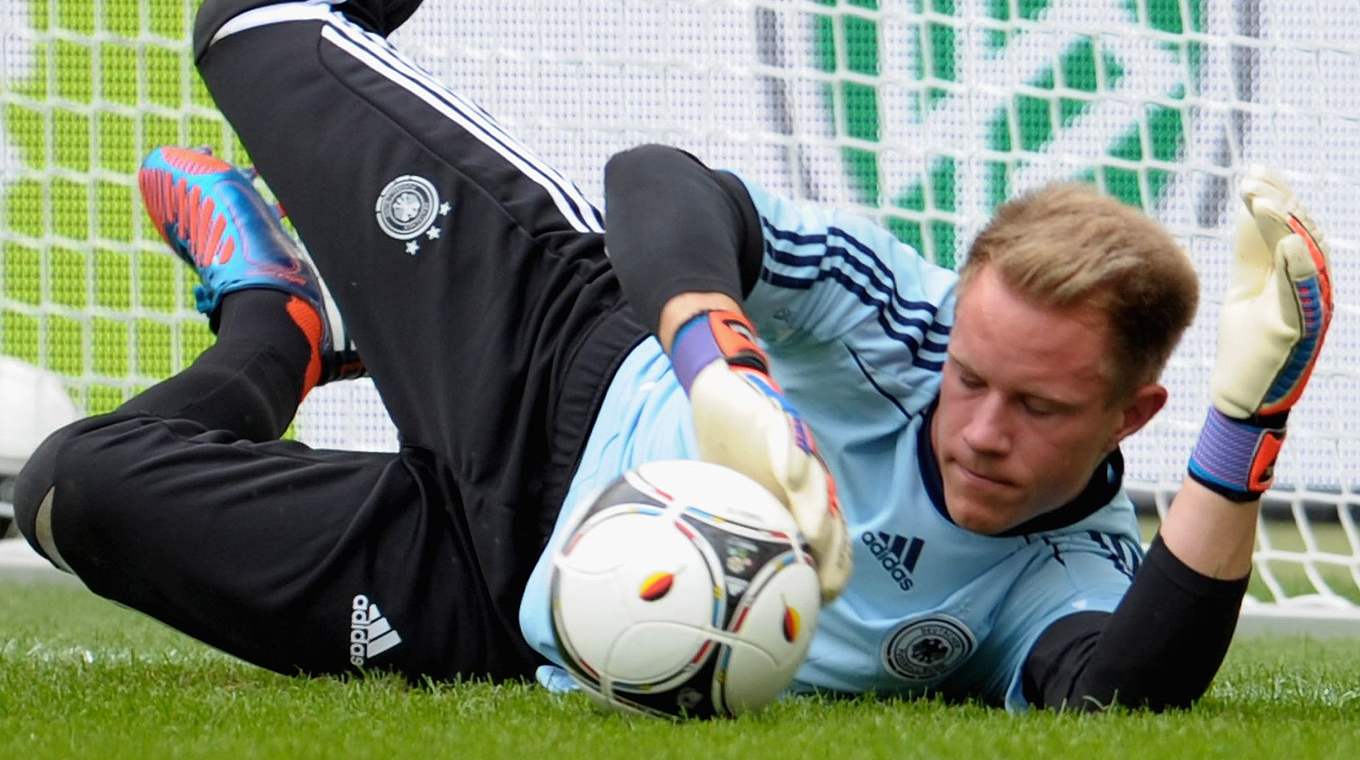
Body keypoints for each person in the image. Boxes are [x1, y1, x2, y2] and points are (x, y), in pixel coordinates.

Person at [12, 0, 1332, 712]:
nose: (977, 426)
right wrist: (725, 375)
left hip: (491, 599)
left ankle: (272, 324)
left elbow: (1117, 692)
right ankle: (307, 319)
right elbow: (659, 183)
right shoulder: (897, 319)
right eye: (971, 378)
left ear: (1133, 409)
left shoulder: (1067, 573)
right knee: (248, 21)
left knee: (73, 490)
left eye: (1037, 408)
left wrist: (1248, 426)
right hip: (545, 349)